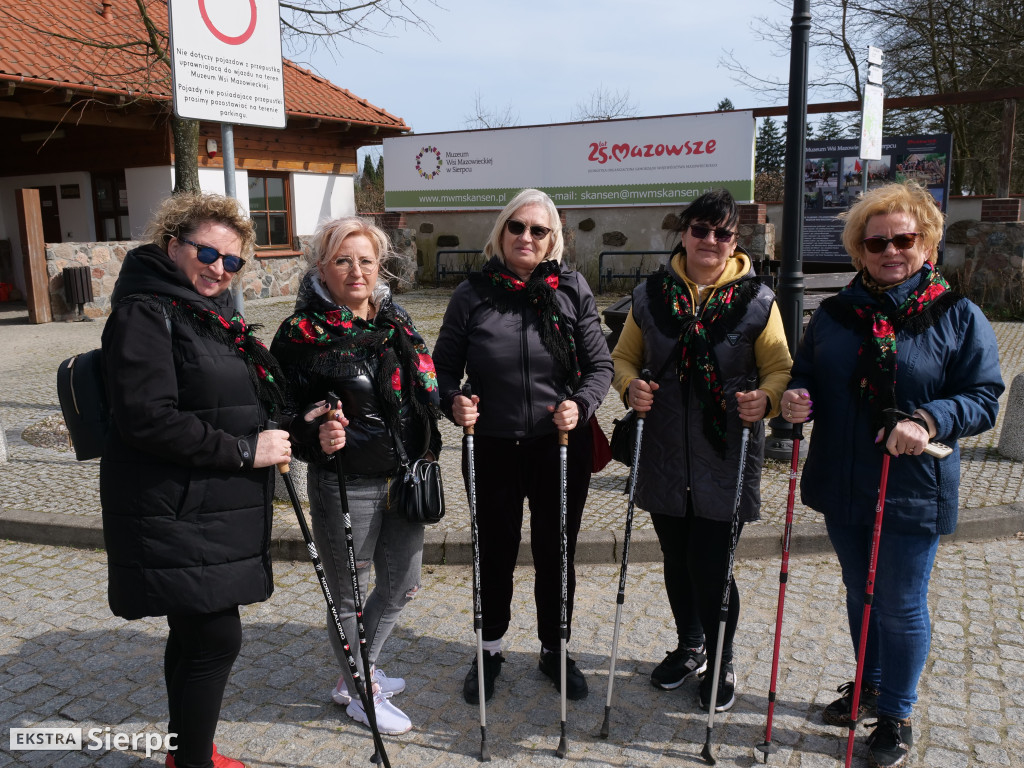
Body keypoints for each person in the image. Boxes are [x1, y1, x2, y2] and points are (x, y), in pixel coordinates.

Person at [781, 181, 1003, 768]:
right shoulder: (832, 315)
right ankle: (870, 682)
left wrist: (931, 419)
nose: (890, 250)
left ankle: (897, 712)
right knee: (861, 592)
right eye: (876, 241)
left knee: (900, 602)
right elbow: (806, 374)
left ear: (925, 242)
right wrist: (796, 398)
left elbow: (984, 397)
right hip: (843, 479)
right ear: (860, 250)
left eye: (903, 238)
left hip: (911, 486)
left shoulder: (957, 315)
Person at [100, 193, 292, 768]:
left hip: (203, 504)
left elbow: (219, 398)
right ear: (172, 245)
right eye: (207, 252)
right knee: (215, 639)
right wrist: (242, 450)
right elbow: (146, 418)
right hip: (173, 506)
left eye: (232, 261)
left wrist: (291, 421)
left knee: (191, 635)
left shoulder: (202, 311)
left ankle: (186, 753)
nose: (219, 268)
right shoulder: (145, 312)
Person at [610, 189, 792, 713]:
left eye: (722, 233)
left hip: (726, 452)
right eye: (700, 230)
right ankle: (690, 645)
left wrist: (769, 398)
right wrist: (630, 388)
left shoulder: (758, 300)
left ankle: (721, 655)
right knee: (675, 558)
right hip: (665, 449)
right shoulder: (651, 295)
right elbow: (624, 357)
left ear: (735, 240)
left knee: (711, 565)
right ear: (684, 232)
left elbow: (779, 366)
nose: (710, 240)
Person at [432, 188, 613, 704]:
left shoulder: (572, 289)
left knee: (557, 552)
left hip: (559, 445)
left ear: (552, 238)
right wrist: (452, 402)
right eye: (517, 227)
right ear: (501, 232)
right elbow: (441, 368)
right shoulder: (472, 293)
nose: (526, 237)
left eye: (538, 230)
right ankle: (489, 649)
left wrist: (582, 403)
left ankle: (555, 650)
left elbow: (600, 367)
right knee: (494, 550)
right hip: (490, 445)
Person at [271, 217, 441, 736]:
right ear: (321, 266)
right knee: (349, 593)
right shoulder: (300, 335)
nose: (356, 270)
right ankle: (359, 686)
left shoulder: (395, 320)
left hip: (406, 477)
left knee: (403, 583)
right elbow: (279, 415)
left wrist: (452, 403)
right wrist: (313, 436)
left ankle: (356, 669)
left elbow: (422, 390)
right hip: (345, 484)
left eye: (366, 259)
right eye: (343, 259)